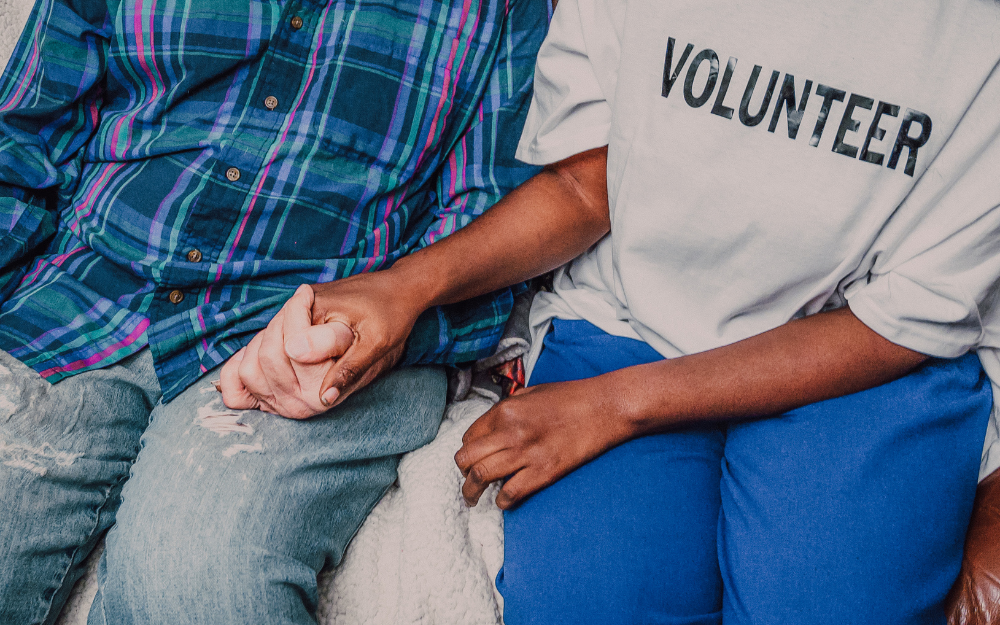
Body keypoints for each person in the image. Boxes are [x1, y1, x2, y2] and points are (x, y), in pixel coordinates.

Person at [253, 0, 1000, 623]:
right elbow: (586, 189)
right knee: (589, 600)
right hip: (624, 324)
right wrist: (409, 285)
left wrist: (619, 404)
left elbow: (900, 320)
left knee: (823, 604)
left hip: (856, 365)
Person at [0, 0, 547, 622]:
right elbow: (22, 136)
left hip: (314, 329)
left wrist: (378, 324)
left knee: (198, 586)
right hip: (81, 293)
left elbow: (490, 225)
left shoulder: (504, 11)